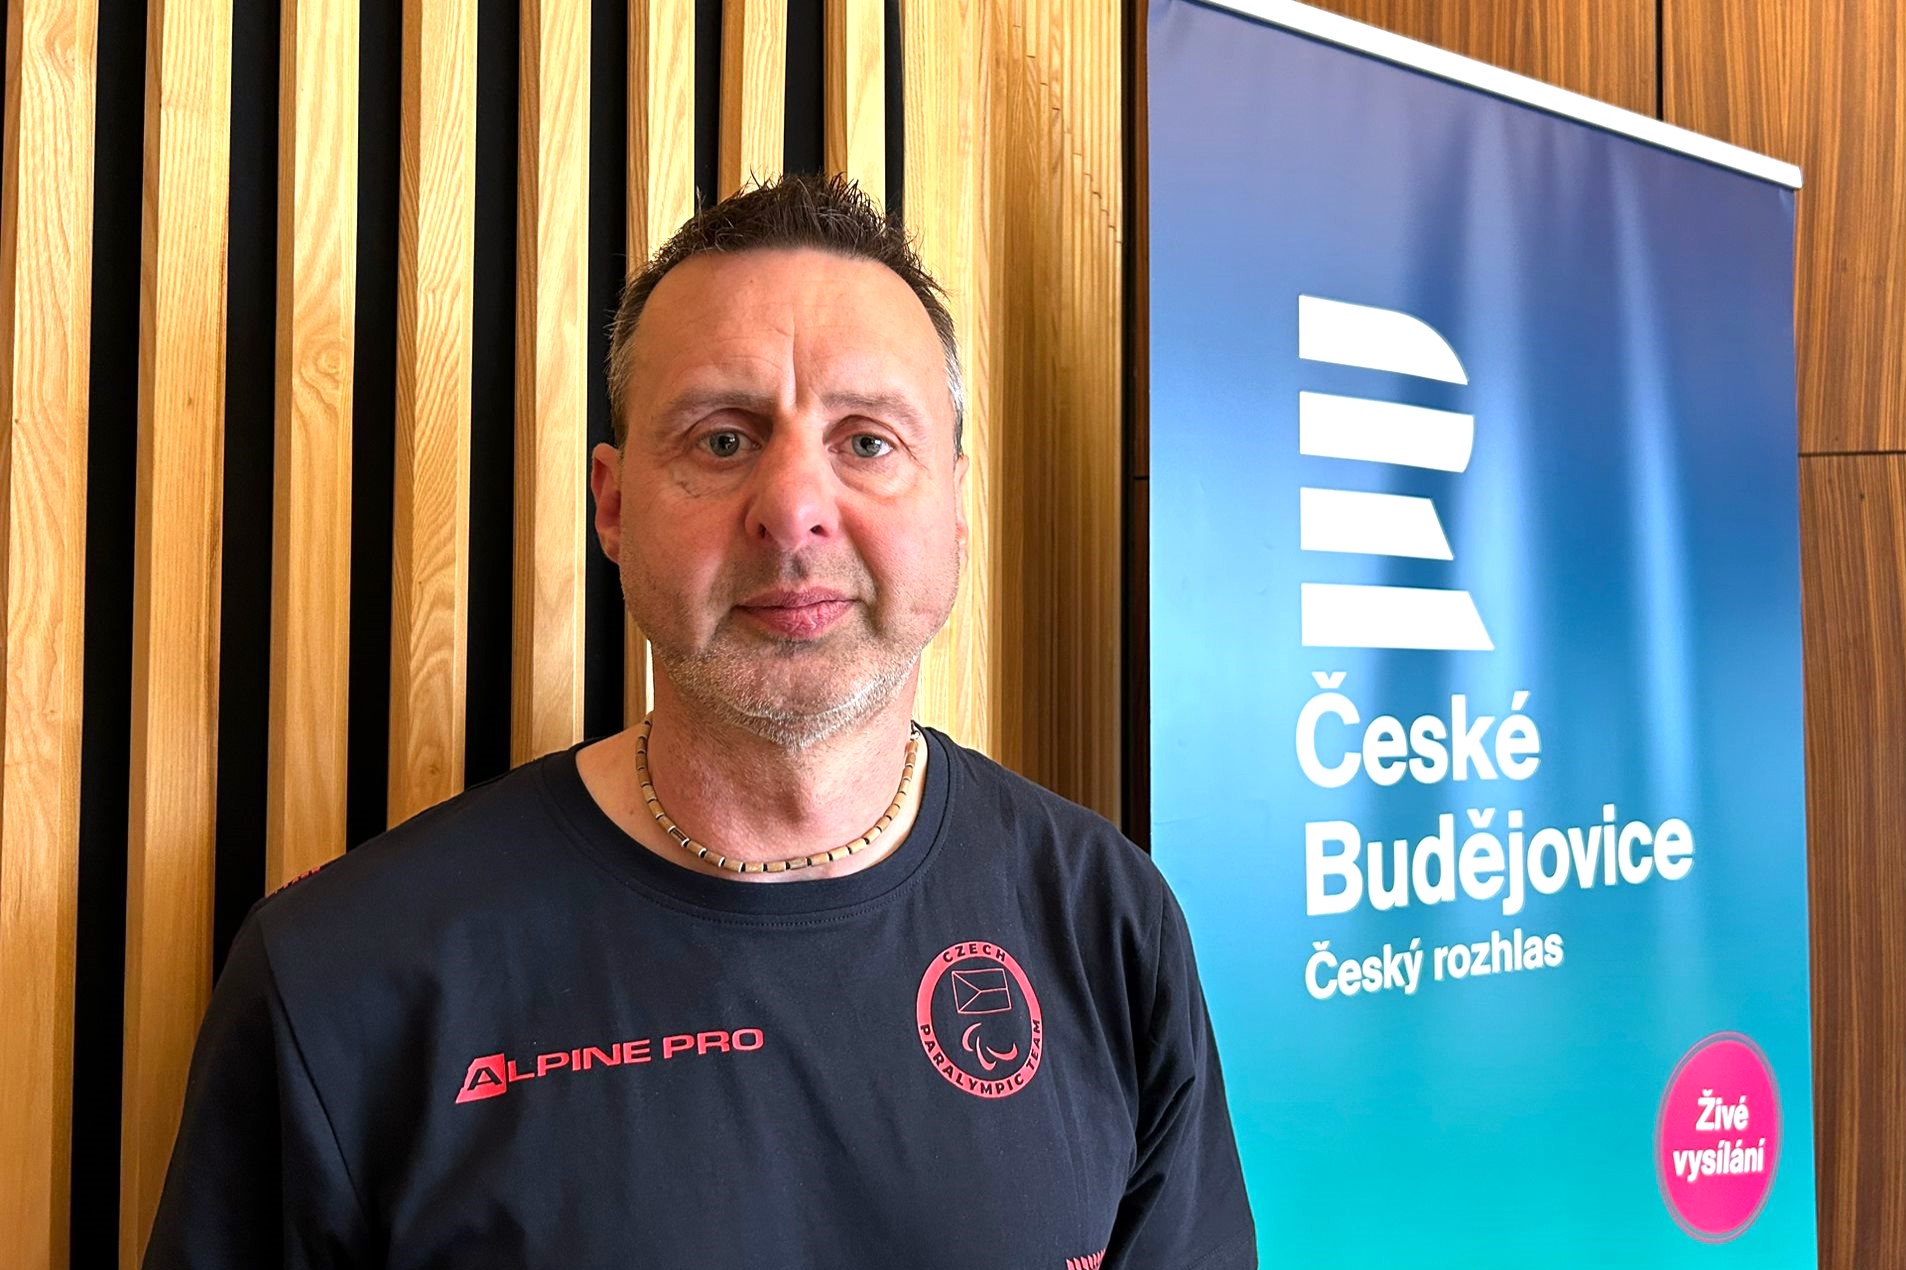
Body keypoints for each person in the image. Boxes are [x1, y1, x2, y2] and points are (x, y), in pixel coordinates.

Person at [145, 173, 1257, 1268]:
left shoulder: (1108, 923)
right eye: (723, 440)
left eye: (868, 441)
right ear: (614, 503)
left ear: (955, 507)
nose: (795, 509)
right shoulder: (343, 980)